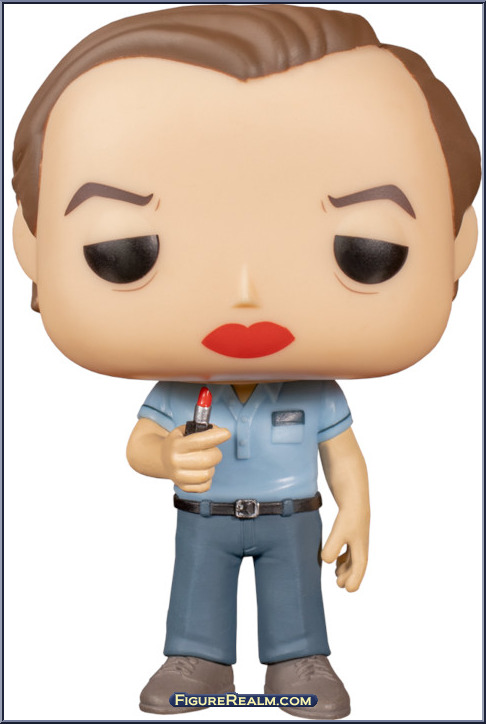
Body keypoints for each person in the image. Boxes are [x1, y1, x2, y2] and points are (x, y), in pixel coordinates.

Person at [11, 5, 480, 720]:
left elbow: (344, 455)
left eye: (365, 251)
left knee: (296, 597)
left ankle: (301, 660)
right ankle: (196, 659)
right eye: (125, 251)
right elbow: (139, 444)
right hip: (205, 513)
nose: (245, 293)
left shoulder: (317, 394)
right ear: (32, 247)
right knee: (196, 588)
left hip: (293, 515)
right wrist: (166, 456)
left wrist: (357, 511)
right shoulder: (181, 392)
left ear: (457, 246)